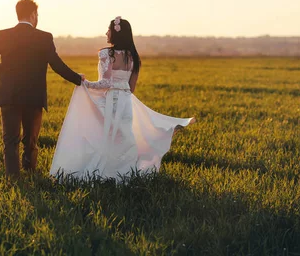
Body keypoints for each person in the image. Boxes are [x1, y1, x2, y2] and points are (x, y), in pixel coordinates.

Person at [50, 16, 195, 181]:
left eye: (109, 30)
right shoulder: (134, 57)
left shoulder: (106, 53)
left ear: (116, 33)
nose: (106, 32)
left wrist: (86, 84)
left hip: (111, 99)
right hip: (125, 101)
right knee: (124, 136)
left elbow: (105, 82)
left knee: (104, 135)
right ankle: (124, 173)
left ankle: (104, 172)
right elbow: (131, 88)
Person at [0, 0, 83, 179]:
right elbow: (57, 65)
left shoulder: (2, 35)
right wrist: (78, 79)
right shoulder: (44, 37)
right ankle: (30, 173)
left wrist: (7, 73)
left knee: (10, 141)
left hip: (9, 95)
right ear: (33, 15)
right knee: (30, 140)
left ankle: (13, 179)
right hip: (34, 96)